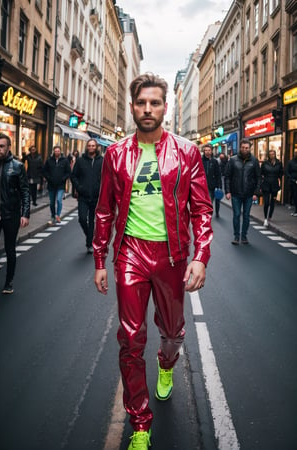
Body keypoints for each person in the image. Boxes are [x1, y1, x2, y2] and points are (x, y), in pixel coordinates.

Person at [93, 73, 213, 450]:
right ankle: (141, 423)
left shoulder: (186, 152)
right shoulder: (115, 154)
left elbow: (202, 210)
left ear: (165, 107)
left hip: (173, 256)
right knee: (130, 338)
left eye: (155, 103)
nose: (148, 109)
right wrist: (100, 258)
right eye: (141, 103)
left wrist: (201, 256)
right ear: (132, 107)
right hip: (130, 253)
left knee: (173, 330)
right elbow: (103, 211)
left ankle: (166, 363)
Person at [0, 133, 30, 294]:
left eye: (2, 146)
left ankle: (8, 282)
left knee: (10, 249)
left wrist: (25, 214)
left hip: (11, 215)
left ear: (9, 147)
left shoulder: (17, 166)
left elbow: (25, 191)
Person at [224, 138, 261, 244]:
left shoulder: (254, 161)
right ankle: (236, 236)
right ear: (240, 148)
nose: (245, 149)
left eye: (247, 148)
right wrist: (228, 191)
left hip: (249, 194)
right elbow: (227, 176)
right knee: (236, 215)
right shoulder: (233, 160)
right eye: (243, 148)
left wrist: (256, 192)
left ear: (250, 148)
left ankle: (244, 236)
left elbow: (258, 177)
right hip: (235, 193)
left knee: (246, 216)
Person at [71, 139, 103, 253]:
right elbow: (73, 176)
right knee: (82, 218)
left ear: (96, 147)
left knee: (92, 220)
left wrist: (100, 188)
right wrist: (79, 188)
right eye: (89, 145)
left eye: (93, 146)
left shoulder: (101, 161)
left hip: (96, 197)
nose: (91, 147)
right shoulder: (80, 161)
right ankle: (89, 236)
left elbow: (106, 177)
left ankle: (89, 243)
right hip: (83, 196)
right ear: (86, 147)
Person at [43, 145, 71, 225]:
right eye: (55, 151)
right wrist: (48, 178)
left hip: (61, 185)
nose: (57, 152)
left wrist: (63, 178)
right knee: (52, 202)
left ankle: (58, 215)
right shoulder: (49, 160)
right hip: (51, 184)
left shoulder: (65, 161)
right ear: (53, 152)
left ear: (60, 152)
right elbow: (44, 171)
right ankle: (53, 215)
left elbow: (68, 172)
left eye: (58, 151)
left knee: (59, 200)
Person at [261, 149, 283, 226]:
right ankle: (265, 218)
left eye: (273, 154)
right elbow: (261, 173)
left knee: (273, 202)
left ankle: (270, 216)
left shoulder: (279, 163)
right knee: (266, 202)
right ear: (268, 155)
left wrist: (280, 184)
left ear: (275, 154)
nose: (271, 155)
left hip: (275, 184)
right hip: (266, 184)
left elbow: (281, 173)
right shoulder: (265, 163)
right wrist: (261, 184)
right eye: (270, 154)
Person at [202, 144, 222, 217]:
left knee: (214, 200)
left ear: (211, 151)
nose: (207, 152)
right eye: (206, 150)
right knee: (207, 202)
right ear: (204, 151)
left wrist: (219, 185)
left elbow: (218, 174)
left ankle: (215, 212)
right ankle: (207, 215)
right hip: (203, 186)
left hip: (213, 185)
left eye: (209, 150)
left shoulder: (214, 161)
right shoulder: (201, 161)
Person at [286, 149, 297, 217]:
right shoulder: (291, 162)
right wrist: (291, 178)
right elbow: (287, 171)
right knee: (295, 195)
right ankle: (296, 209)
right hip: (293, 181)